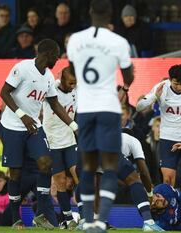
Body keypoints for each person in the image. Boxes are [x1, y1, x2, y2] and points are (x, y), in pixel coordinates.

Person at [66, 0, 135, 232]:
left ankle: (87, 221)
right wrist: (124, 85)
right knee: (109, 167)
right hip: (108, 109)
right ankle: (101, 221)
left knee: (87, 167)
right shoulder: (119, 42)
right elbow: (129, 76)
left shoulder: (75, 40)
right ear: (111, 15)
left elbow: (74, 70)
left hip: (85, 109)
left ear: (89, 12)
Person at [0, 38, 77, 229]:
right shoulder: (23, 68)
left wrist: (75, 126)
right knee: (15, 174)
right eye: (57, 54)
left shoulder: (49, 77)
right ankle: (15, 218)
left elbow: (55, 104)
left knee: (45, 163)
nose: (58, 58)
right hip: (12, 126)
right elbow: (4, 92)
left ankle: (41, 213)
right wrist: (21, 115)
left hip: (34, 127)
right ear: (47, 53)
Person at [136, 64, 181, 196]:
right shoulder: (161, 88)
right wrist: (154, 97)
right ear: (170, 80)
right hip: (168, 138)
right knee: (168, 181)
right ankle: (171, 212)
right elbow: (139, 107)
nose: (179, 87)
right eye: (175, 84)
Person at [42, 66, 78, 230]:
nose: (73, 86)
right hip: (52, 142)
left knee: (80, 177)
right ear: (61, 79)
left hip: (70, 141)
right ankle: (67, 218)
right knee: (60, 182)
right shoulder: (50, 89)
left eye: (75, 83)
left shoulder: (78, 89)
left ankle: (86, 217)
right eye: (70, 82)